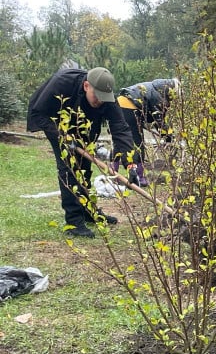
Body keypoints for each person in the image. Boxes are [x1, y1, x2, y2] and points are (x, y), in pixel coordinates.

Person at [27, 67, 139, 238]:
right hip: (57, 124)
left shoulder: (107, 98)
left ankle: (88, 211)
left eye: (104, 99)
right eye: (97, 97)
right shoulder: (62, 83)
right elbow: (39, 112)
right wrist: (62, 135)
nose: (100, 101)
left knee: (85, 167)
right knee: (69, 168)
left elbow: (120, 129)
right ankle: (73, 221)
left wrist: (131, 163)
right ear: (86, 86)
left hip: (85, 125)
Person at [116, 78, 181, 186]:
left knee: (120, 141)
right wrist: (168, 136)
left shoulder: (153, 87)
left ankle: (113, 173)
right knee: (138, 142)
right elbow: (158, 119)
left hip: (120, 103)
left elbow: (151, 116)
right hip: (129, 108)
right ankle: (139, 177)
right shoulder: (158, 96)